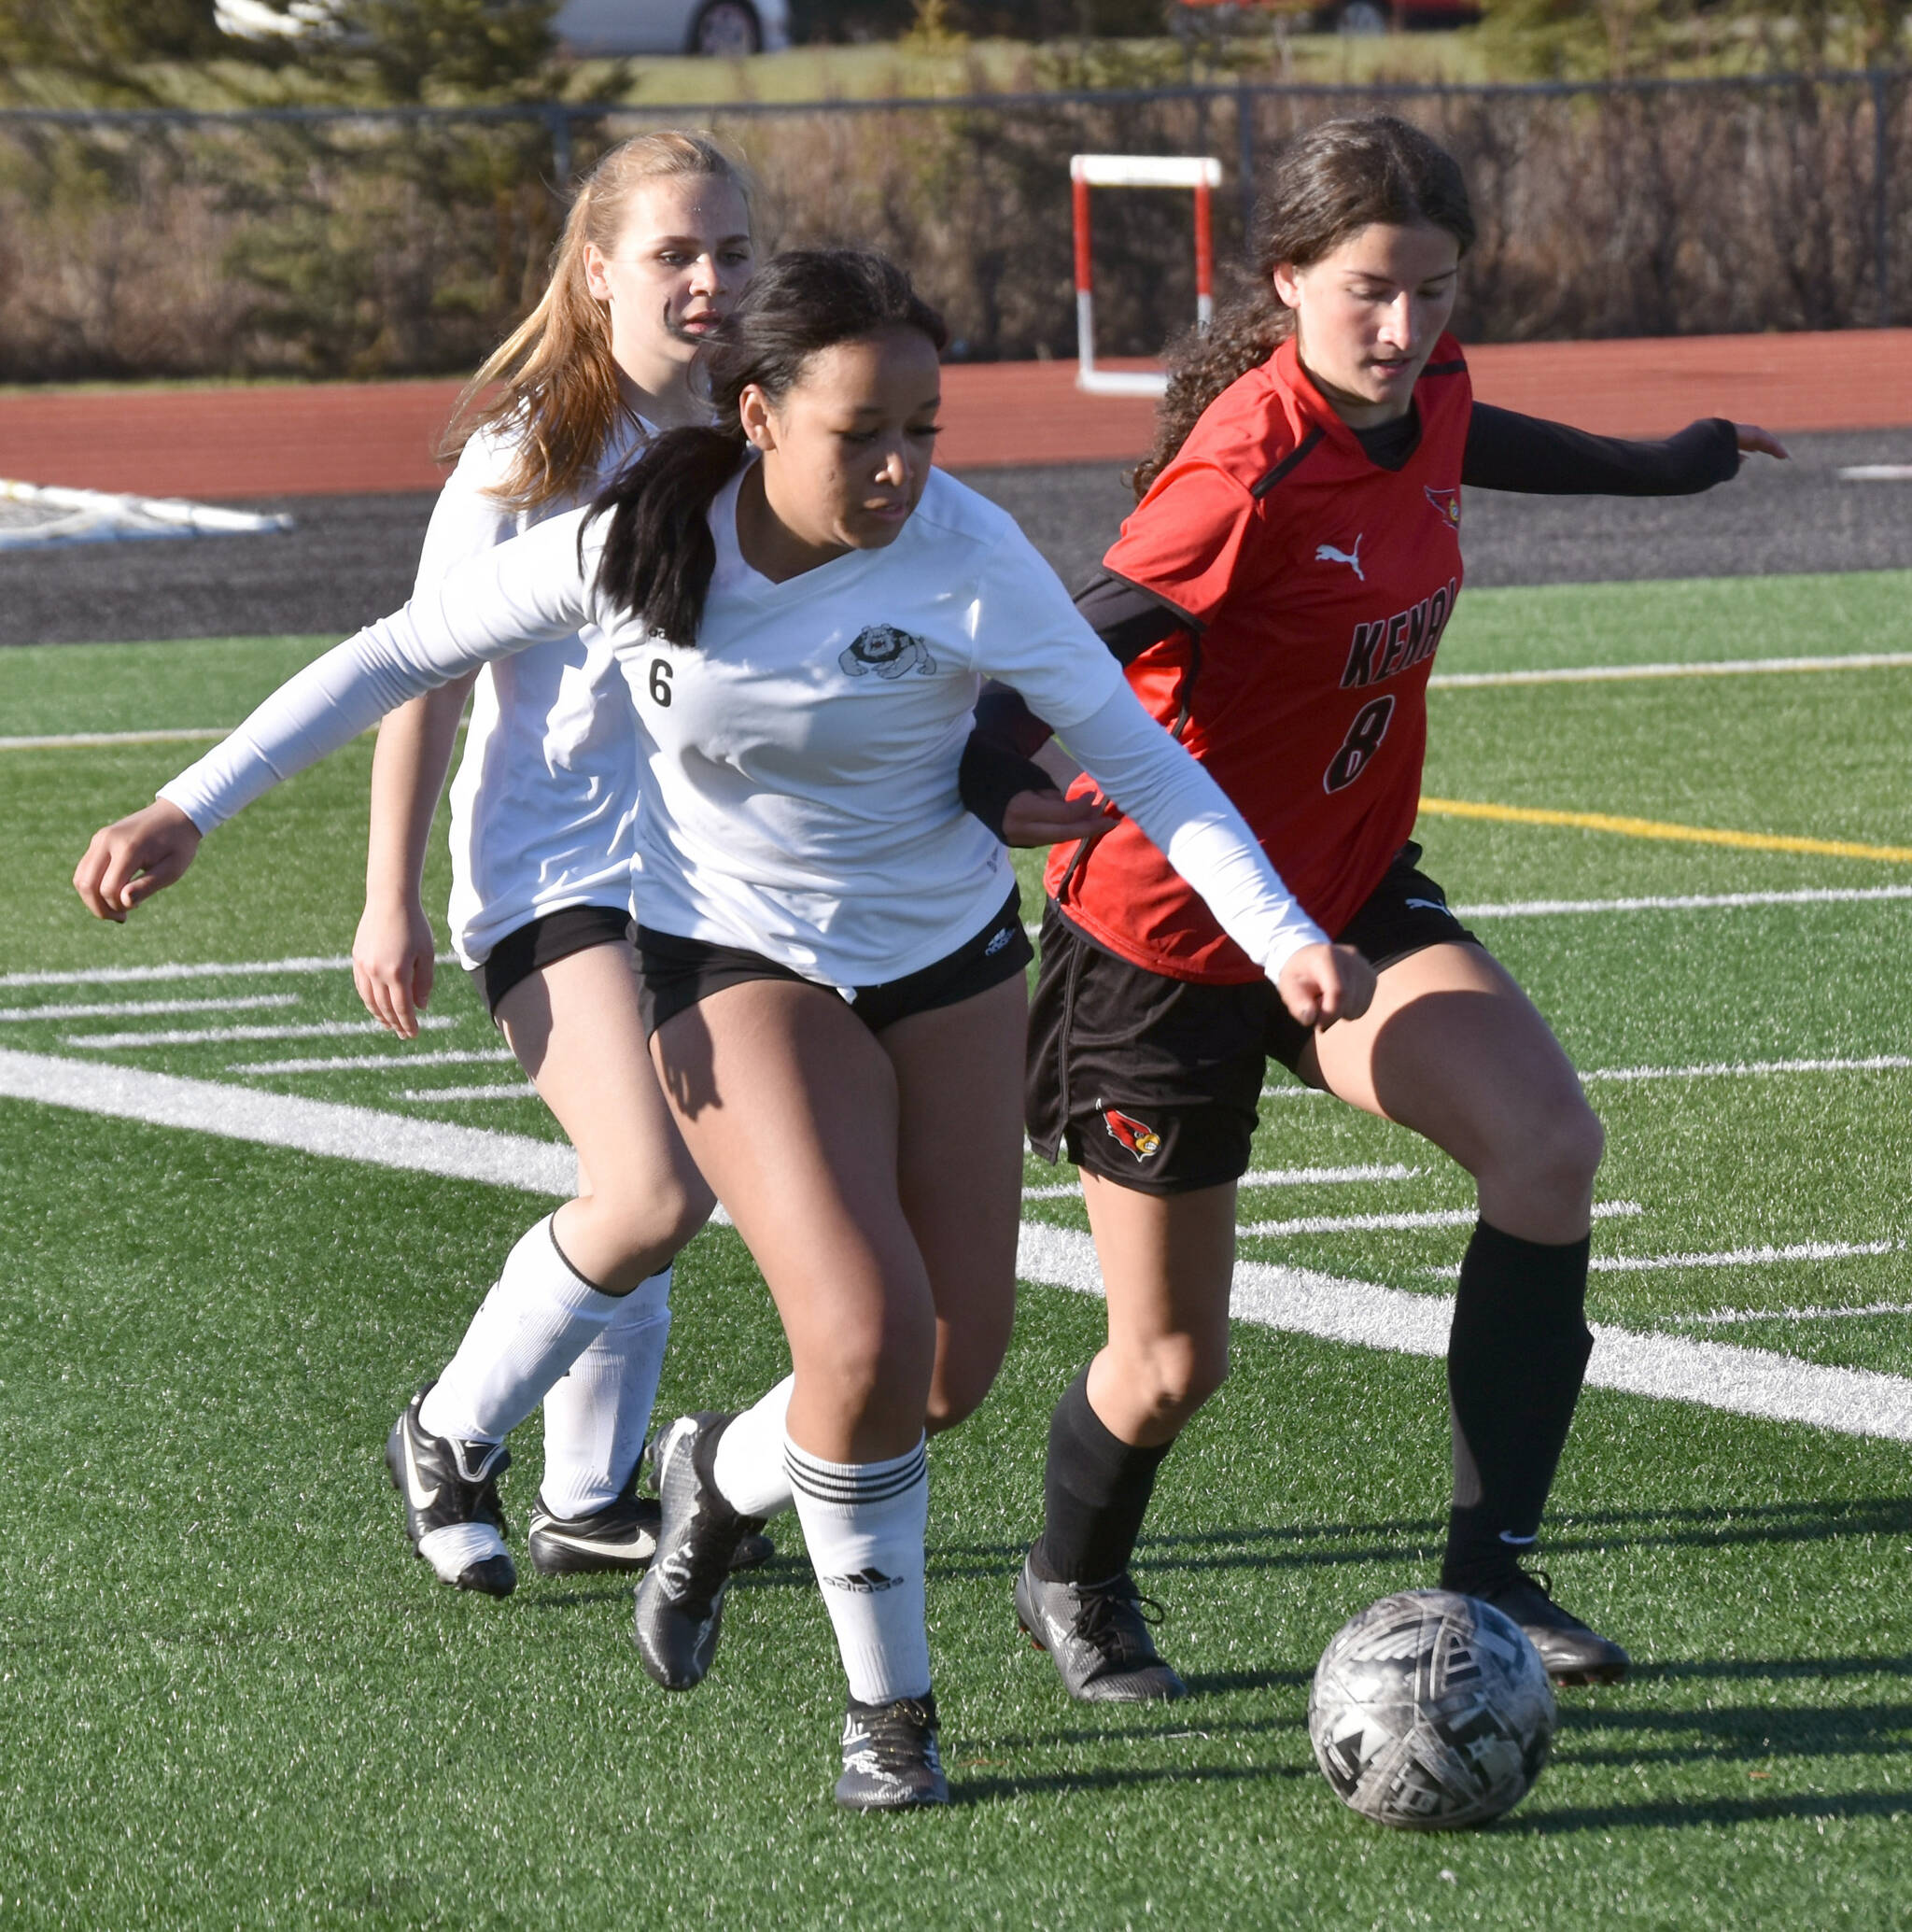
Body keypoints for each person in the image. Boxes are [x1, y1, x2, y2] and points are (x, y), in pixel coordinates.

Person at [72, 249, 1371, 1810]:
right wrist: (189, 803)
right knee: (864, 1339)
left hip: (948, 961)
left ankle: (715, 1476)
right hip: (731, 963)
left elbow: (1145, 763)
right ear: (757, 415)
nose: (900, 466)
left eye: (926, 429)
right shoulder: (636, 541)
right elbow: (400, 650)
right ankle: (892, 1713)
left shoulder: (971, 554)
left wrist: (1283, 935)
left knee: (943, 1374)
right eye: (861, 431)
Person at [996, 115, 1788, 1702]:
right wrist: (975, 764)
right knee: (1169, 1367)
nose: (1405, 328)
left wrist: (1666, 464)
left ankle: (1489, 1578)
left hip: (1345, 902)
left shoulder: (1419, 389)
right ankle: (1070, 1575)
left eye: (1434, 292)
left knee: (1547, 1147)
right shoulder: (1243, 469)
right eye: (1368, 291)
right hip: (1164, 941)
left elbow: (1468, 432)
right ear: (1287, 278)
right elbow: (1070, 636)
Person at [351, 130, 779, 1599]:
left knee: (650, 1178)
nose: (711, 280)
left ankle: (590, 1495)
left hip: (701, 875)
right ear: (598, 273)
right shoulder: (529, 452)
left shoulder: (757, 429)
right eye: (675, 253)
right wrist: (386, 896)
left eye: (731, 250)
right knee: (651, 1188)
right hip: (551, 877)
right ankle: (451, 1432)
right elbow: (420, 676)